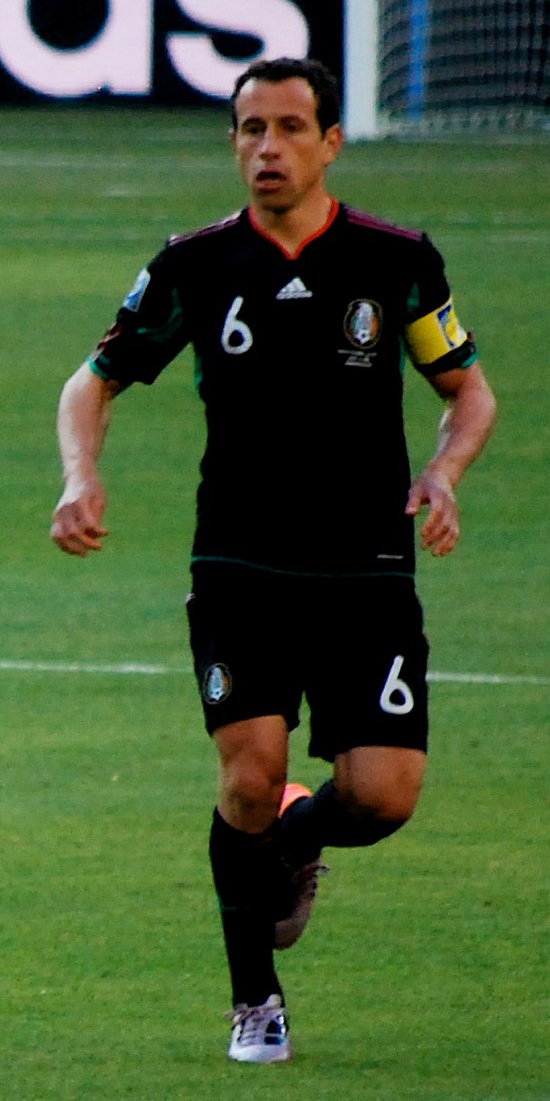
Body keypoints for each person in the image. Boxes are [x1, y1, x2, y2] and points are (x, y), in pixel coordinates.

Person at [51, 57, 497, 1064]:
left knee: (382, 794)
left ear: (330, 142)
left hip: (368, 567)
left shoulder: (395, 262)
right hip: (241, 565)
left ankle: (295, 844)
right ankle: (255, 998)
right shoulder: (195, 267)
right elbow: (94, 379)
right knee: (249, 776)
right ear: (234, 142)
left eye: (290, 127)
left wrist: (445, 472)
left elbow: (467, 389)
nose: (267, 147)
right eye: (250, 128)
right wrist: (80, 476)